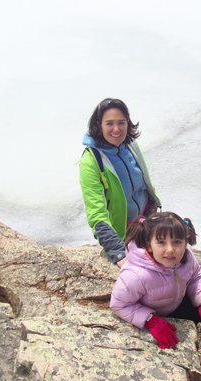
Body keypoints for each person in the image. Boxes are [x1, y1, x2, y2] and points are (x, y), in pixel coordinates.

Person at [110, 212, 201, 349]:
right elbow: (119, 304)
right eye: (161, 242)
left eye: (177, 242)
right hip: (159, 309)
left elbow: (195, 277)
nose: (170, 250)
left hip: (177, 295)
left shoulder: (187, 258)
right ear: (148, 245)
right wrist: (150, 320)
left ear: (185, 242)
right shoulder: (136, 275)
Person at [79, 98, 161, 268]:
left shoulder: (129, 144)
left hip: (144, 218)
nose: (116, 129)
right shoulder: (91, 161)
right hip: (121, 231)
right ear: (98, 125)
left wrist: (152, 201)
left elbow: (142, 176)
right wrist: (117, 251)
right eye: (109, 123)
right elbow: (96, 212)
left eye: (121, 123)